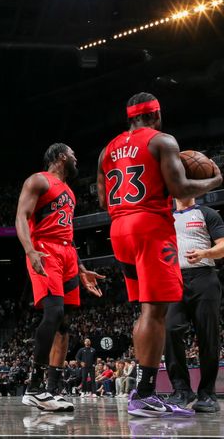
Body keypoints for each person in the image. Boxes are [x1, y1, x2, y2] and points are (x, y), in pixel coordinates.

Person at [97, 92, 222, 417]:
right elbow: (180, 189)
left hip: (118, 229)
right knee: (157, 312)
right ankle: (146, 394)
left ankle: (145, 392)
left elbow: (101, 199)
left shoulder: (106, 150)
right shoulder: (162, 140)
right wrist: (214, 180)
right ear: (156, 115)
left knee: (146, 310)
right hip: (150, 228)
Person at [15, 143, 105, 412]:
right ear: (61, 157)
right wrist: (30, 250)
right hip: (44, 250)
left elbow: (68, 233)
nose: (77, 159)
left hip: (66, 254)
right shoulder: (38, 180)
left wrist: (81, 267)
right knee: (52, 314)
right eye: (74, 155)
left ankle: (51, 390)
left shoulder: (69, 192)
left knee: (64, 324)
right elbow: (21, 216)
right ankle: (33, 388)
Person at [164, 196, 224, 412]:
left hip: (204, 277)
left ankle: (207, 394)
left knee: (208, 336)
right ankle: (181, 390)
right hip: (173, 278)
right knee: (170, 330)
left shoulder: (207, 213)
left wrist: (205, 253)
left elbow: (223, 246)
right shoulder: (164, 215)